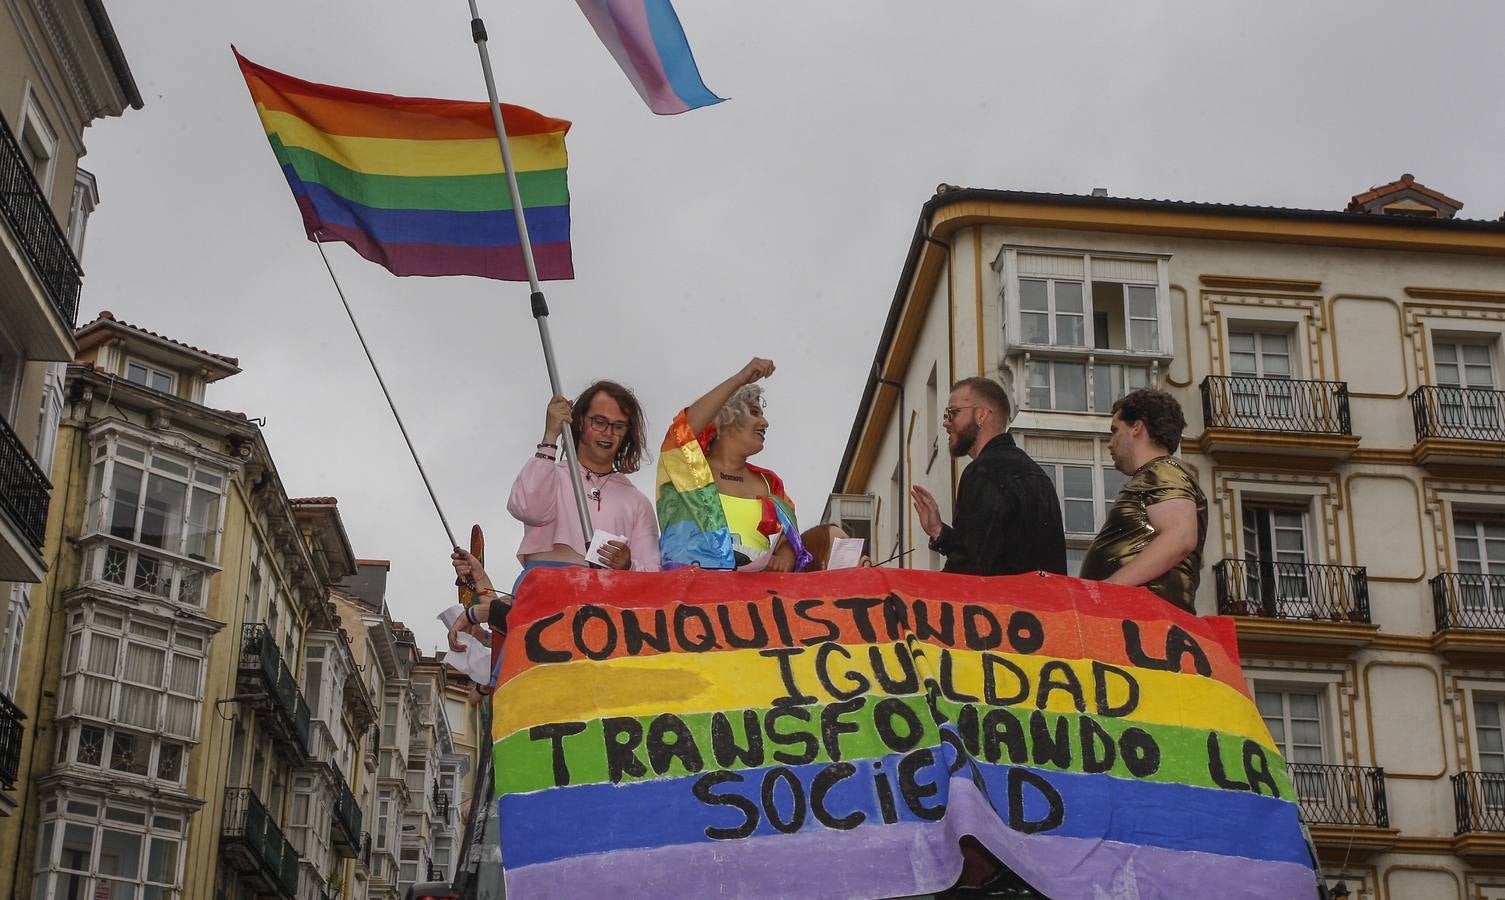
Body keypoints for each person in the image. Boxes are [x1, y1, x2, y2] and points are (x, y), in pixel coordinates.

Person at [448, 382, 659, 647]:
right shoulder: (549, 473)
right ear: (580, 422)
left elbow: (654, 577)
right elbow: (526, 507)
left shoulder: (636, 501)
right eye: (599, 421)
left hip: (606, 619)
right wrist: (550, 436)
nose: (608, 433)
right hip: (541, 606)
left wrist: (628, 566)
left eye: (618, 426)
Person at [657, 357, 850, 571]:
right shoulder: (687, 471)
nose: (765, 423)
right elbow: (680, 432)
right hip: (693, 596)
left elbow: (788, 538)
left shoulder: (770, 483)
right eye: (755, 413)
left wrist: (785, 558)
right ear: (726, 416)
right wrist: (739, 380)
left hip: (751, 600)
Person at [911, 376, 1066, 576]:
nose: (945, 423)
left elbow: (970, 568)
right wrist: (939, 532)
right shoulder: (1038, 476)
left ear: (981, 415)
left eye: (953, 413)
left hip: (1001, 606)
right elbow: (995, 551)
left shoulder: (984, 471)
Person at [1079, 388, 1207, 612]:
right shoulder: (1160, 474)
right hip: (1142, 618)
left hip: (1146, 619)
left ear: (1137, 427)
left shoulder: (1163, 471)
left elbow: (1181, 536)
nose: (1110, 443)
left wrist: (1108, 590)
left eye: (1115, 431)